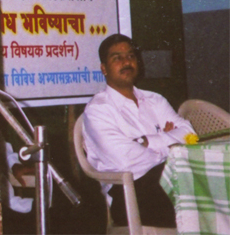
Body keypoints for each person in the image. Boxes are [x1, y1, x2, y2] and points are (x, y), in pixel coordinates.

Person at [82, 34, 194, 228]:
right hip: (130, 192)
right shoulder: (98, 110)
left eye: (131, 56)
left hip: (168, 177)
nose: (126, 62)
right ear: (104, 68)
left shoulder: (155, 100)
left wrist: (148, 142)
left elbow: (189, 134)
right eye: (117, 58)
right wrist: (169, 142)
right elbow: (127, 160)